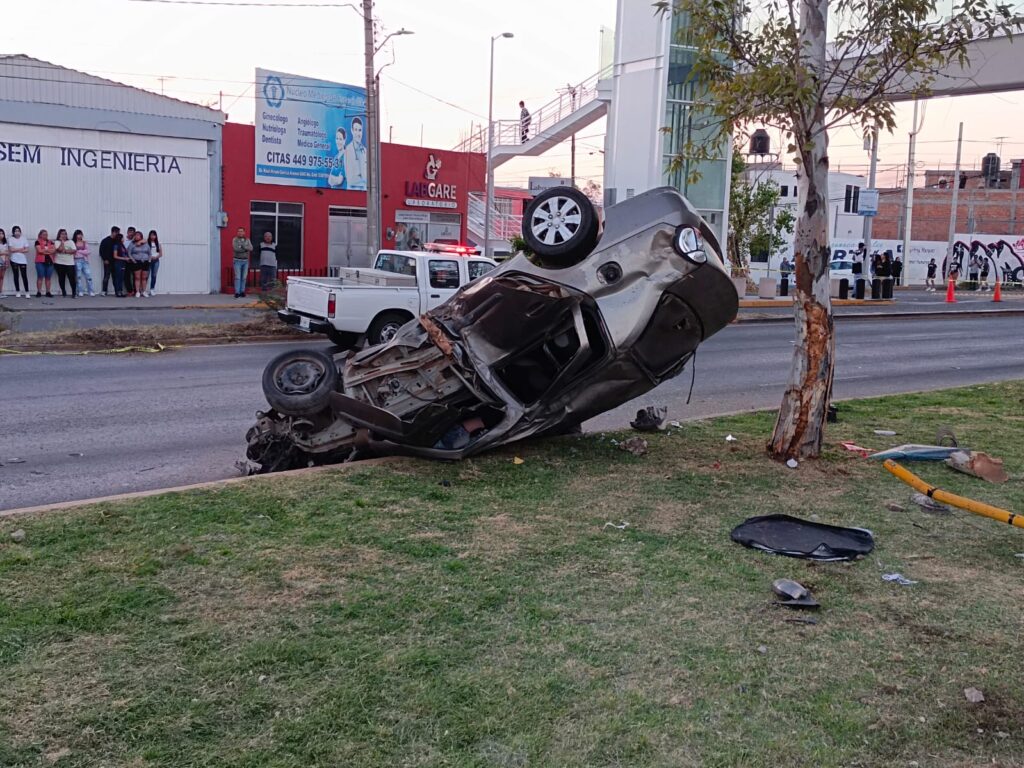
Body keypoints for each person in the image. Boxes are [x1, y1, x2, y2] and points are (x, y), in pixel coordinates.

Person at [52, 229, 78, 298]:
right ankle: (63, 291)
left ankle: (74, 293)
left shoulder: (71, 242)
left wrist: (65, 251)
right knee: (61, 278)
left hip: (70, 263)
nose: (64, 235)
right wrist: (62, 242)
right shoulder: (56, 242)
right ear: (59, 235)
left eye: (65, 234)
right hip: (59, 262)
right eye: (62, 234)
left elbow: (74, 251)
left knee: (72, 278)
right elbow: (60, 250)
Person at [343, 118, 367, 190]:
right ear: (352, 131)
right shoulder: (348, 150)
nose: (358, 133)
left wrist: (359, 176)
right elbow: (350, 180)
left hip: (365, 193)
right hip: (351, 193)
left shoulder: (365, 151)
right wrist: (364, 179)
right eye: (355, 130)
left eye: (360, 130)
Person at [8, 226, 31, 298]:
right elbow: (11, 250)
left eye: (18, 231)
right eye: (15, 231)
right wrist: (21, 249)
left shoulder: (24, 239)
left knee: (24, 276)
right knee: (16, 276)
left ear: (20, 232)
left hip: (22, 260)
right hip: (14, 259)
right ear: (13, 232)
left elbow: (27, 250)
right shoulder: (10, 239)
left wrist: (16, 249)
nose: (17, 232)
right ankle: (17, 291)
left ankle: (27, 292)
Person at [127, 230, 151, 297]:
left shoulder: (146, 244)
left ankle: (144, 291)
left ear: (141, 236)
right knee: (137, 277)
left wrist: (149, 260)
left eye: (138, 235)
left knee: (144, 278)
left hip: (145, 262)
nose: (136, 236)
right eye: (135, 235)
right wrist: (133, 260)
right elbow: (129, 253)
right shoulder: (132, 244)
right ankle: (137, 291)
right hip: (137, 262)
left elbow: (149, 253)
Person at [232, 227, 253, 298]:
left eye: (241, 231)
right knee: (238, 277)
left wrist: (243, 246)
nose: (240, 232)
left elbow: (251, 248)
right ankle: (237, 292)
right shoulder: (235, 239)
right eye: (239, 231)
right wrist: (246, 249)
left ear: (244, 232)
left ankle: (242, 291)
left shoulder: (247, 240)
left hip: (245, 261)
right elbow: (236, 249)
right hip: (237, 260)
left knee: (244, 277)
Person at [73, 230, 96, 297]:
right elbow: (73, 252)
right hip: (77, 261)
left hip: (84, 261)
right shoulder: (73, 243)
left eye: (81, 234)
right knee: (78, 277)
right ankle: (80, 291)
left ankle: (91, 291)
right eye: (78, 234)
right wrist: (82, 251)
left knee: (89, 276)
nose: (80, 236)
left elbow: (88, 251)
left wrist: (79, 251)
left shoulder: (84, 243)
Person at [34, 229, 56, 297]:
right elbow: (39, 251)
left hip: (50, 262)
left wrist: (45, 251)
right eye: (43, 234)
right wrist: (48, 251)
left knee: (48, 278)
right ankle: (39, 292)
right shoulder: (37, 242)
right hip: (40, 262)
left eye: (46, 234)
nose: (45, 235)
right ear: (40, 235)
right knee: (40, 277)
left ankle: (48, 292)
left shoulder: (51, 242)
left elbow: (53, 251)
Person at [99, 226, 120, 295]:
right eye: (116, 232)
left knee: (115, 277)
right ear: (112, 232)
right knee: (106, 277)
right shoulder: (105, 240)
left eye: (118, 232)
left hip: (116, 262)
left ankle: (117, 291)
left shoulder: (117, 241)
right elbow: (101, 251)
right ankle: (104, 291)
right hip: (107, 261)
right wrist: (104, 259)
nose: (117, 234)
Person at [112, 232, 130, 297]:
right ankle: (117, 291)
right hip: (118, 263)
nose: (123, 239)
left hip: (123, 263)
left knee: (121, 277)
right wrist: (124, 258)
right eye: (122, 238)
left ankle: (121, 291)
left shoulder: (122, 245)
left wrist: (127, 258)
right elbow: (115, 256)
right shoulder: (116, 246)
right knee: (118, 277)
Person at [147, 230, 163, 296]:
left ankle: (152, 289)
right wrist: (150, 257)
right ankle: (144, 290)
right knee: (146, 275)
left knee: (154, 275)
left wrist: (156, 257)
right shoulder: (147, 243)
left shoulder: (158, 243)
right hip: (148, 260)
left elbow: (161, 254)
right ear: (149, 236)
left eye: (154, 235)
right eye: (151, 235)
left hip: (156, 261)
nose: (152, 236)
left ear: (156, 236)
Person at [123, 226, 138, 296]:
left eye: (132, 233)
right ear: (127, 232)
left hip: (135, 260)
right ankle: (129, 291)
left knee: (135, 276)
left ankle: (136, 290)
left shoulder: (136, 241)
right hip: (126, 261)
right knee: (126, 276)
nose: (131, 234)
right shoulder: (124, 240)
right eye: (130, 232)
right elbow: (122, 251)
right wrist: (126, 258)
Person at [0, 229, 7, 298]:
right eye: (0, 233)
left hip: (4, 261)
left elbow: (7, 253)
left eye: (2, 233)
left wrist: (7, 261)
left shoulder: (5, 243)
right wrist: (4, 253)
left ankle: (1, 292)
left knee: (2, 277)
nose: (1, 235)